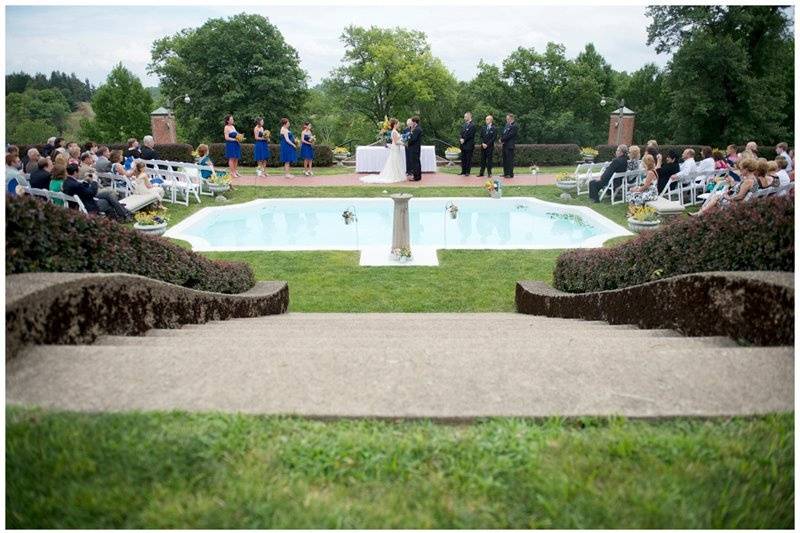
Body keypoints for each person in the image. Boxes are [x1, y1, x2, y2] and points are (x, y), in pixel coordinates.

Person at [360, 118, 406, 184]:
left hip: (396, 148)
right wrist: (403, 143)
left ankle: (397, 174)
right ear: (395, 124)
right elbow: (396, 142)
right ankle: (395, 175)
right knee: (394, 161)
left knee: (396, 160)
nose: (399, 125)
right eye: (398, 124)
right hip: (395, 148)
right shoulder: (394, 132)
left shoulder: (395, 131)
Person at [223, 115, 242, 179]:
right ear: (228, 121)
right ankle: (232, 172)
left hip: (236, 144)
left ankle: (235, 171)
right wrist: (234, 139)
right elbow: (226, 138)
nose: (233, 120)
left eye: (232, 119)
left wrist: (240, 138)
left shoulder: (233, 127)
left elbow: (236, 134)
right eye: (231, 119)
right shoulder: (226, 127)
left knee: (236, 158)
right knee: (231, 158)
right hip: (230, 144)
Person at [501, 113, 518, 178]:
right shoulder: (507, 125)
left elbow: (510, 135)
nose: (506, 120)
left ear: (511, 118)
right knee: (505, 160)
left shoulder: (515, 126)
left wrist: (502, 139)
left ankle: (510, 174)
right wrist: (501, 139)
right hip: (505, 145)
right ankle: (505, 173)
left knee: (510, 160)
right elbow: (504, 133)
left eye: (507, 119)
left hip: (510, 146)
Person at [458, 112, 476, 176]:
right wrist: (460, 139)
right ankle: (463, 171)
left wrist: (464, 140)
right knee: (463, 158)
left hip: (469, 145)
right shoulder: (464, 125)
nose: (464, 118)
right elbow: (461, 133)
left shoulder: (473, 125)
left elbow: (471, 135)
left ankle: (467, 172)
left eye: (465, 116)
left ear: (469, 116)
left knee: (468, 159)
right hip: (463, 145)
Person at [406, 116, 423, 181]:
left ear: (415, 122)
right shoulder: (416, 128)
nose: (411, 123)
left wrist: (407, 142)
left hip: (414, 148)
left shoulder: (417, 129)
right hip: (415, 148)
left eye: (412, 122)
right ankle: (417, 176)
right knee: (416, 162)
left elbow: (413, 139)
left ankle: (416, 177)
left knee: (415, 163)